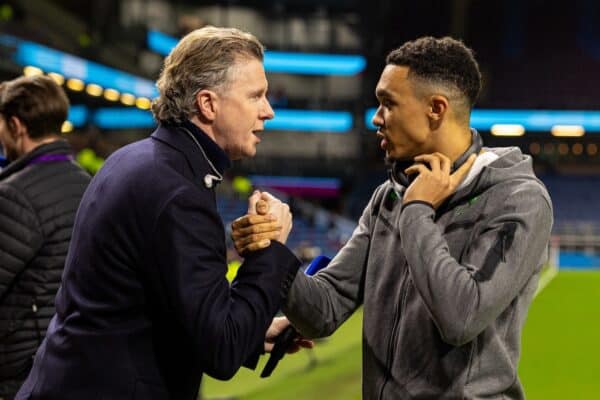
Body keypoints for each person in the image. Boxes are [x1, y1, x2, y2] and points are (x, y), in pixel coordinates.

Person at [233, 36, 553, 399]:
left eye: (388, 103)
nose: (376, 118)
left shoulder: (516, 199)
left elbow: (461, 317)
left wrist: (417, 212)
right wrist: (272, 252)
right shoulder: (389, 195)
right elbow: (324, 309)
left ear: (436, 108)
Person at [16, 27, 302, 400]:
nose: (269, 111)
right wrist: (270, 249)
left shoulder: (136, 160)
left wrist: (251, 333)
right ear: (208, 104)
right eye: (256, 96)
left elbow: (150, 309)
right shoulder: (178, 190)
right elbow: (222, 351)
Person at [0, 75, 90, 399]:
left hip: (21, 374)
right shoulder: (88, 184)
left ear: (15, 125)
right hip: (73, 360)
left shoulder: (13, 195)